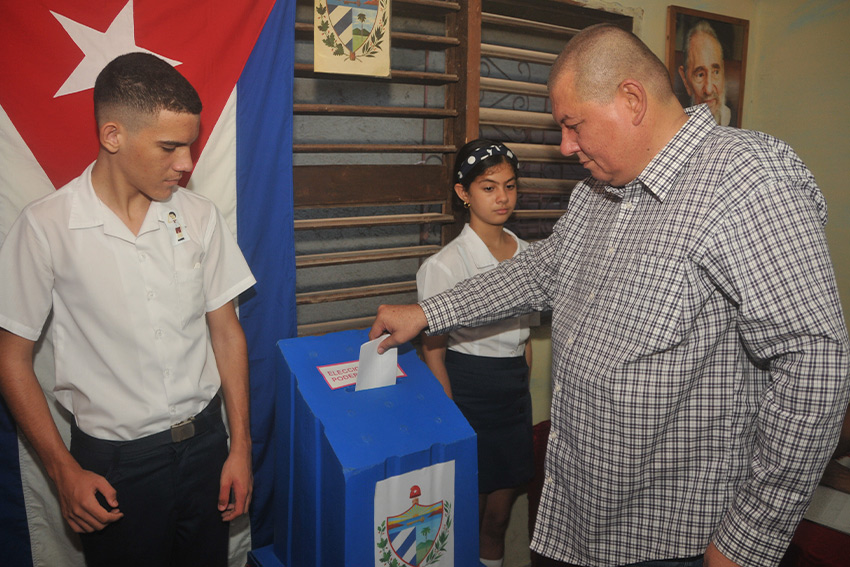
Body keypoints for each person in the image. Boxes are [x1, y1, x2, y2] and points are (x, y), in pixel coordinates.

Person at [370, 23, 850, 567]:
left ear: (631, 100)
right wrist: (430, 309)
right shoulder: (597, 194)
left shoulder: (746, 180)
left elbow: (815, 369)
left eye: (573, 125)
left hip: (674, 537)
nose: (565, 146)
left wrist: (747, 541)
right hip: (578, 515)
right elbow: (540, 272)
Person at [0, 53, 255, 567]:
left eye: (190, 144)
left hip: (206, 442)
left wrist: (240, 446)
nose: (186, 163)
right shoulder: (46, 226)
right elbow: (11, 358)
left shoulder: (200, 216)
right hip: (114, 463)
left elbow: (226, 333)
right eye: (169, 146)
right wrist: (62, 470)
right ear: (112, 136)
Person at [417, 139, 535, 567]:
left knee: (499, 517)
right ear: (463, 193)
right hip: (467, 389)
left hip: (512, 394)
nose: (502, 197)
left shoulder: (529, 256)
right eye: (488, 187)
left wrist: (523, 391)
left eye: (510, 185)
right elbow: (434, 353)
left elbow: (524, 341)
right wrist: (449, 414)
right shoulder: (443, 266)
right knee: (466, 510)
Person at [678, 20, 735, 126]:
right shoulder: (676, 125)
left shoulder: (734, 119)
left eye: (716, 72)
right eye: (700, 75)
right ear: (685, 80)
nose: (708, 90)